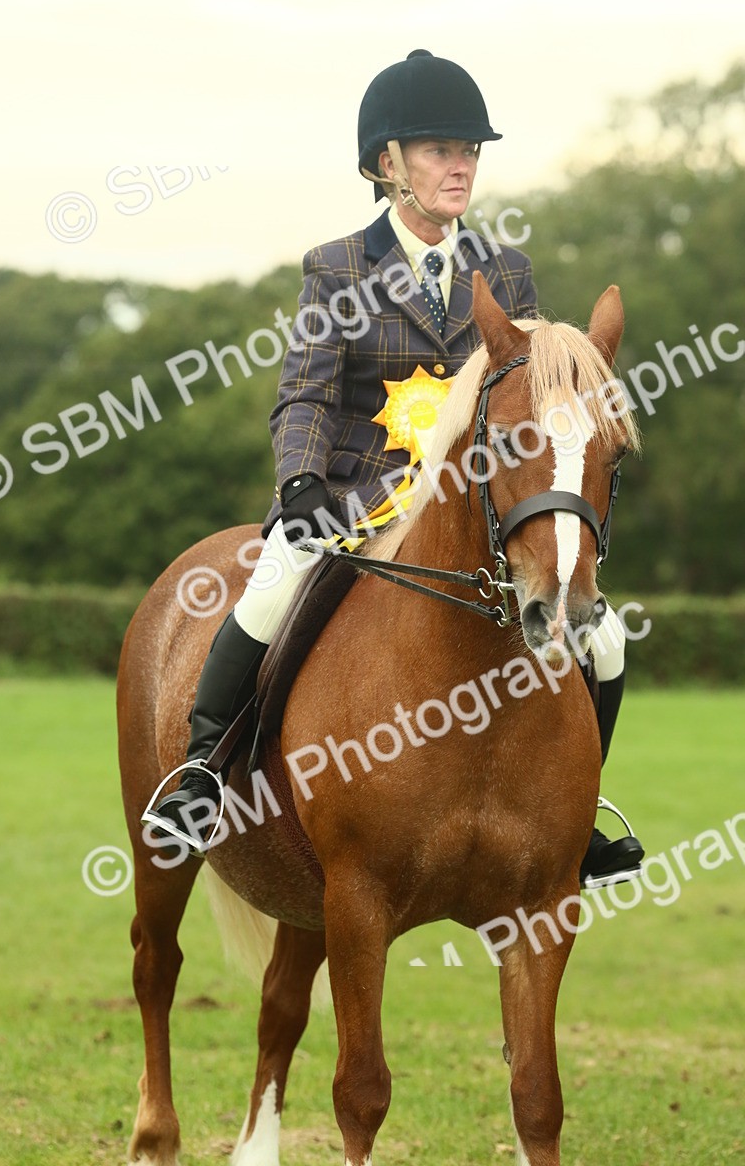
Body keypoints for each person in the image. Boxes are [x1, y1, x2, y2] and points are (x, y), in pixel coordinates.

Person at [142, 50, 644, 887]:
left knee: (608, 636)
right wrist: (301, 486)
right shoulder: (337, 268)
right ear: (387, 165)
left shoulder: (506, 270)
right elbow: (303, 395)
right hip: (357, 498)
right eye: (440, 150)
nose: (461, 167)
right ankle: (202, 772)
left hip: (473, 504)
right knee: (273, 577)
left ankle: (577, 814)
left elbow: (530, 389)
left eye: (470, 151)